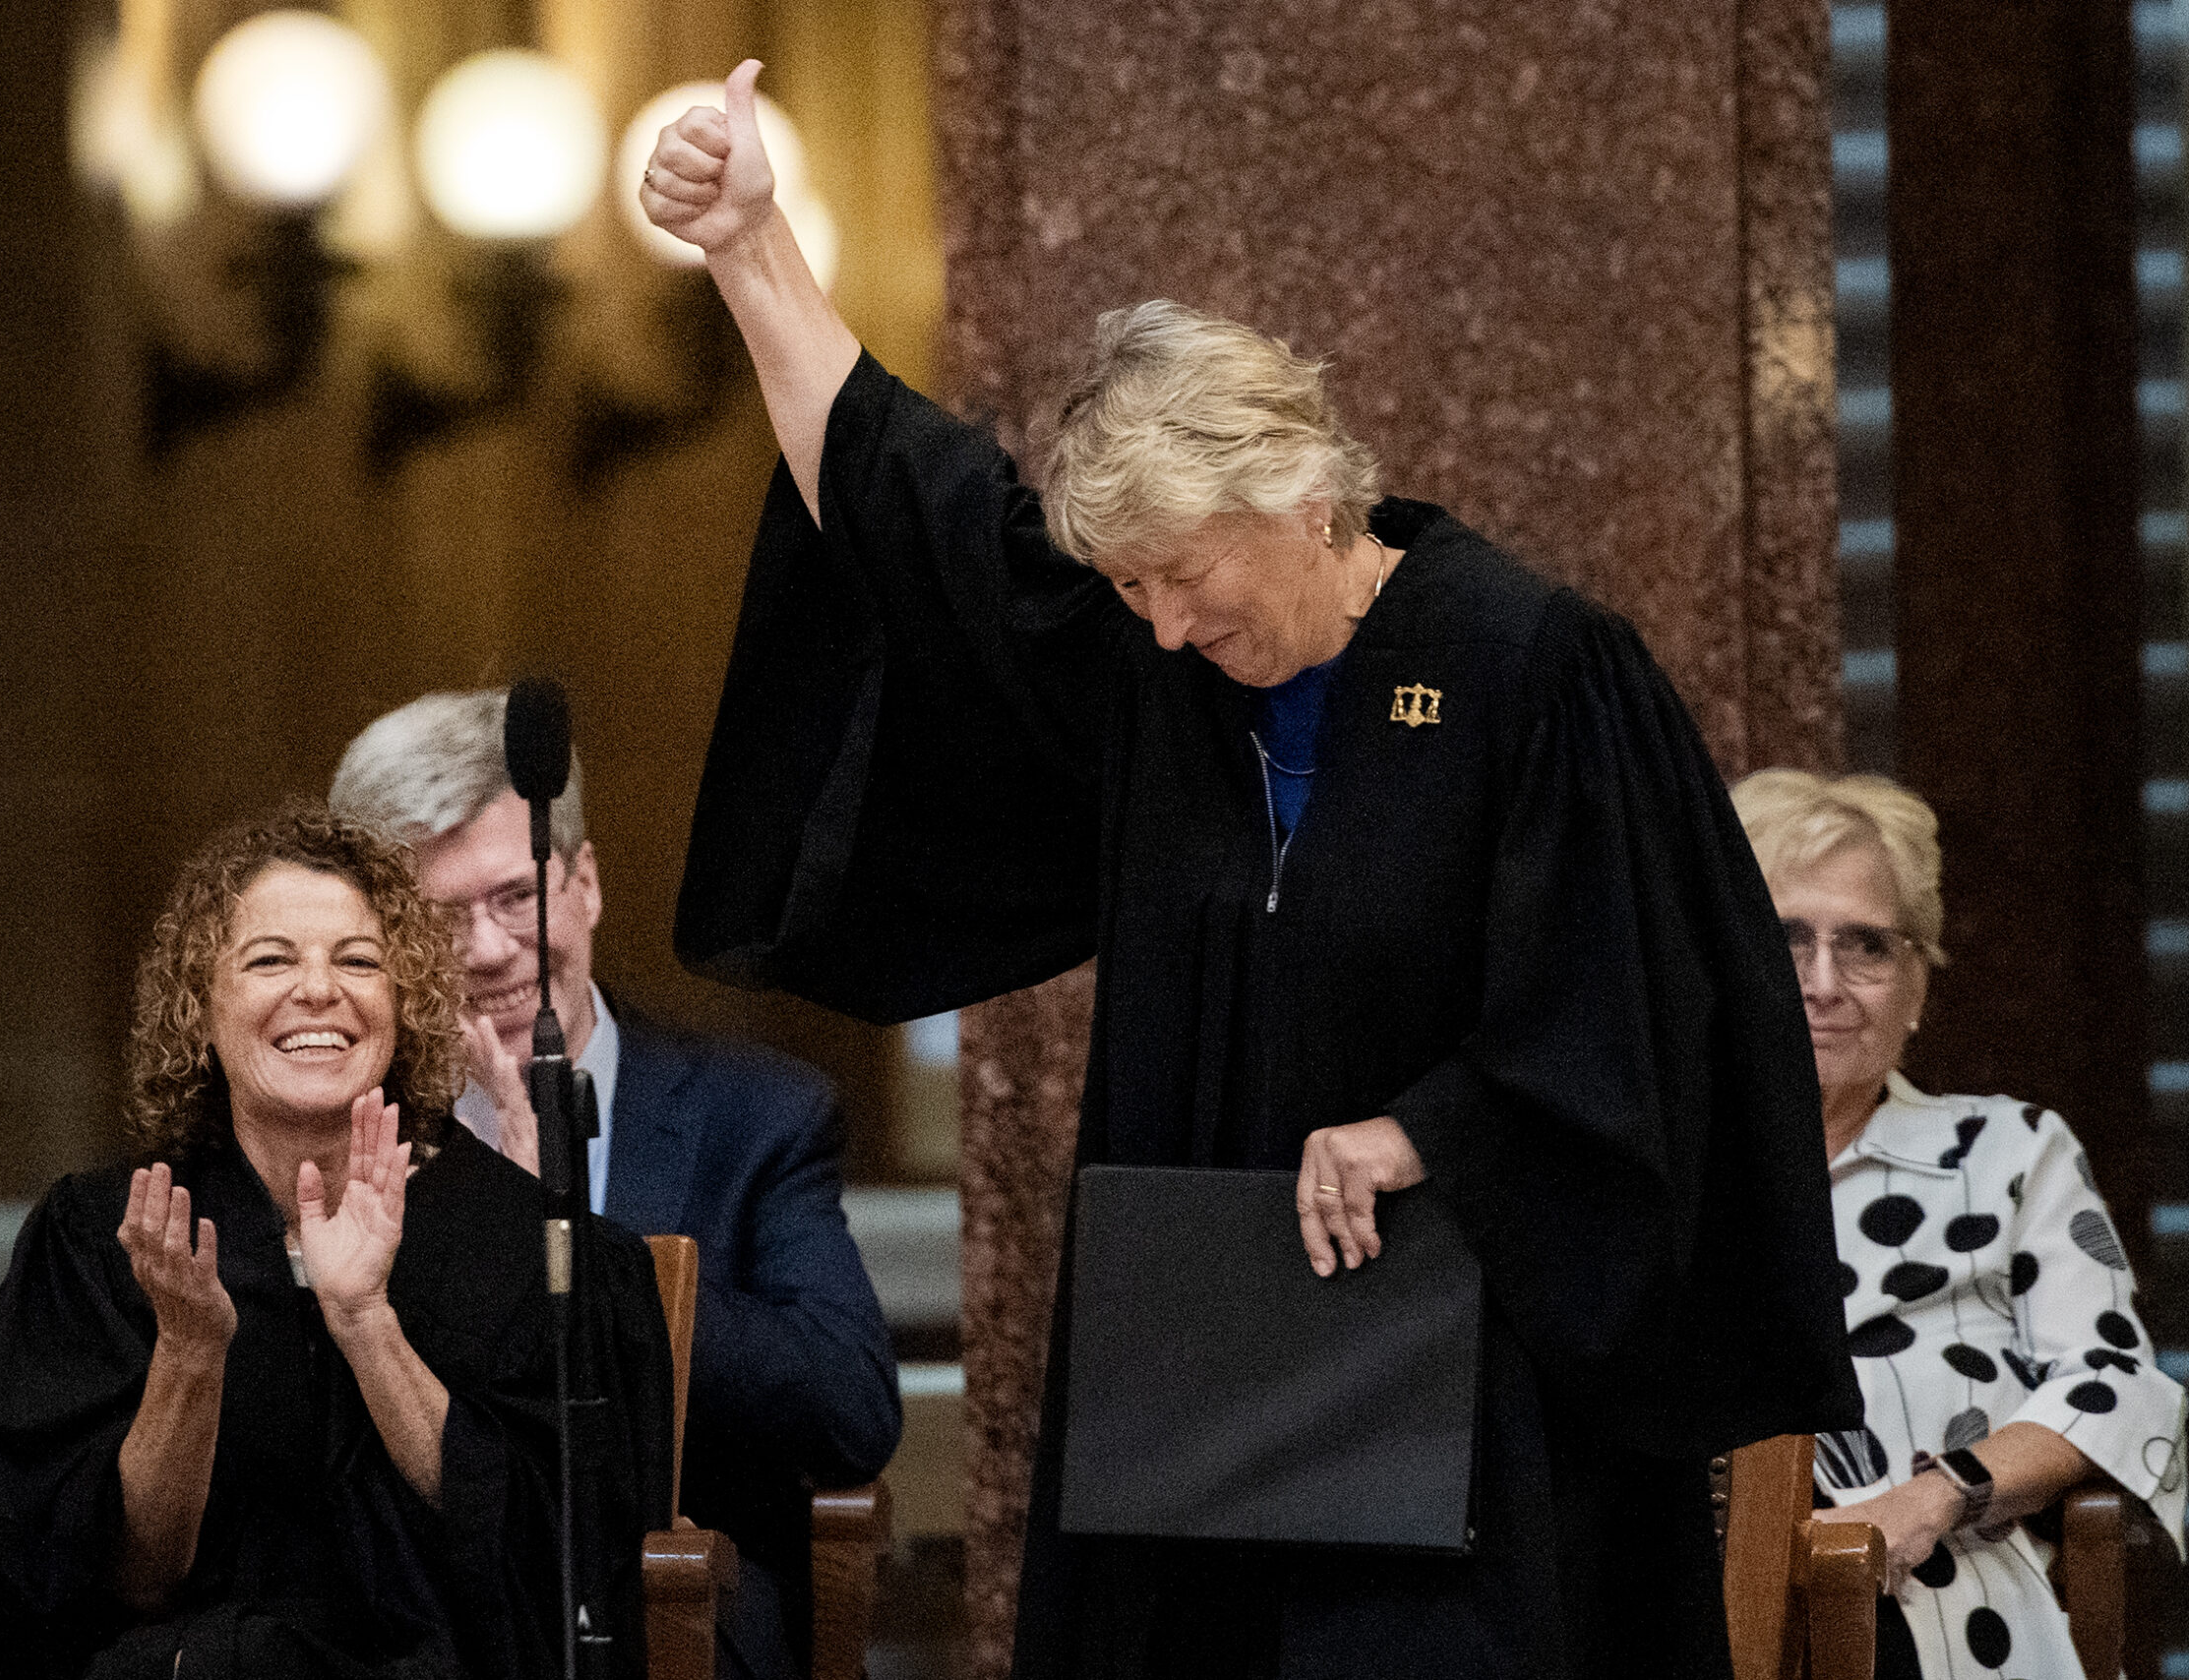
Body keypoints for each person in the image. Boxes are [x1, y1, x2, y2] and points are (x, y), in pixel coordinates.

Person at [644, 61, 1861, 1680]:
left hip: (1466, 1386)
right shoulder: (1157, 671)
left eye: (1180, 573)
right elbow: (898, 496)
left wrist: (1424, 1129)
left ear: (1302, 494)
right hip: (1197, 1381)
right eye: (1127, 582)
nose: (1156, 621)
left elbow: (1644, 1009)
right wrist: (749, 246)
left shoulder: (1534, 671)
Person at [0, 806, 673, 1680]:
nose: (318, 989)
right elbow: (112, 1579)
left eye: (359, 960)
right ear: (201, 1007)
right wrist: (190, 1355)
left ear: (406, 1004)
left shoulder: (531, 1247)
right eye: (270, 959)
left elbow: (548, 1567)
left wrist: (364, 1320)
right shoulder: (108, 1238)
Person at [331, 693, 899, 1680]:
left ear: (584, 882)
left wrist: (568, 1242)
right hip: (415, 1614)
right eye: (437, 918)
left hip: (669, 1600)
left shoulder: (754, 1117)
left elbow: (849, 1408)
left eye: (517, 896)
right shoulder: (342, 1130)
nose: (489, 949)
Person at [1731, 768, 2187, 1680]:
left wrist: (1935, 1497)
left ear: (1916, 989)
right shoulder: (1650, 1175)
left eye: (1866, 946)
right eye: (1785, 938)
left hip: (1937, 1604)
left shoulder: (2007, 1152)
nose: (1823, 983)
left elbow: (2114, 1380)